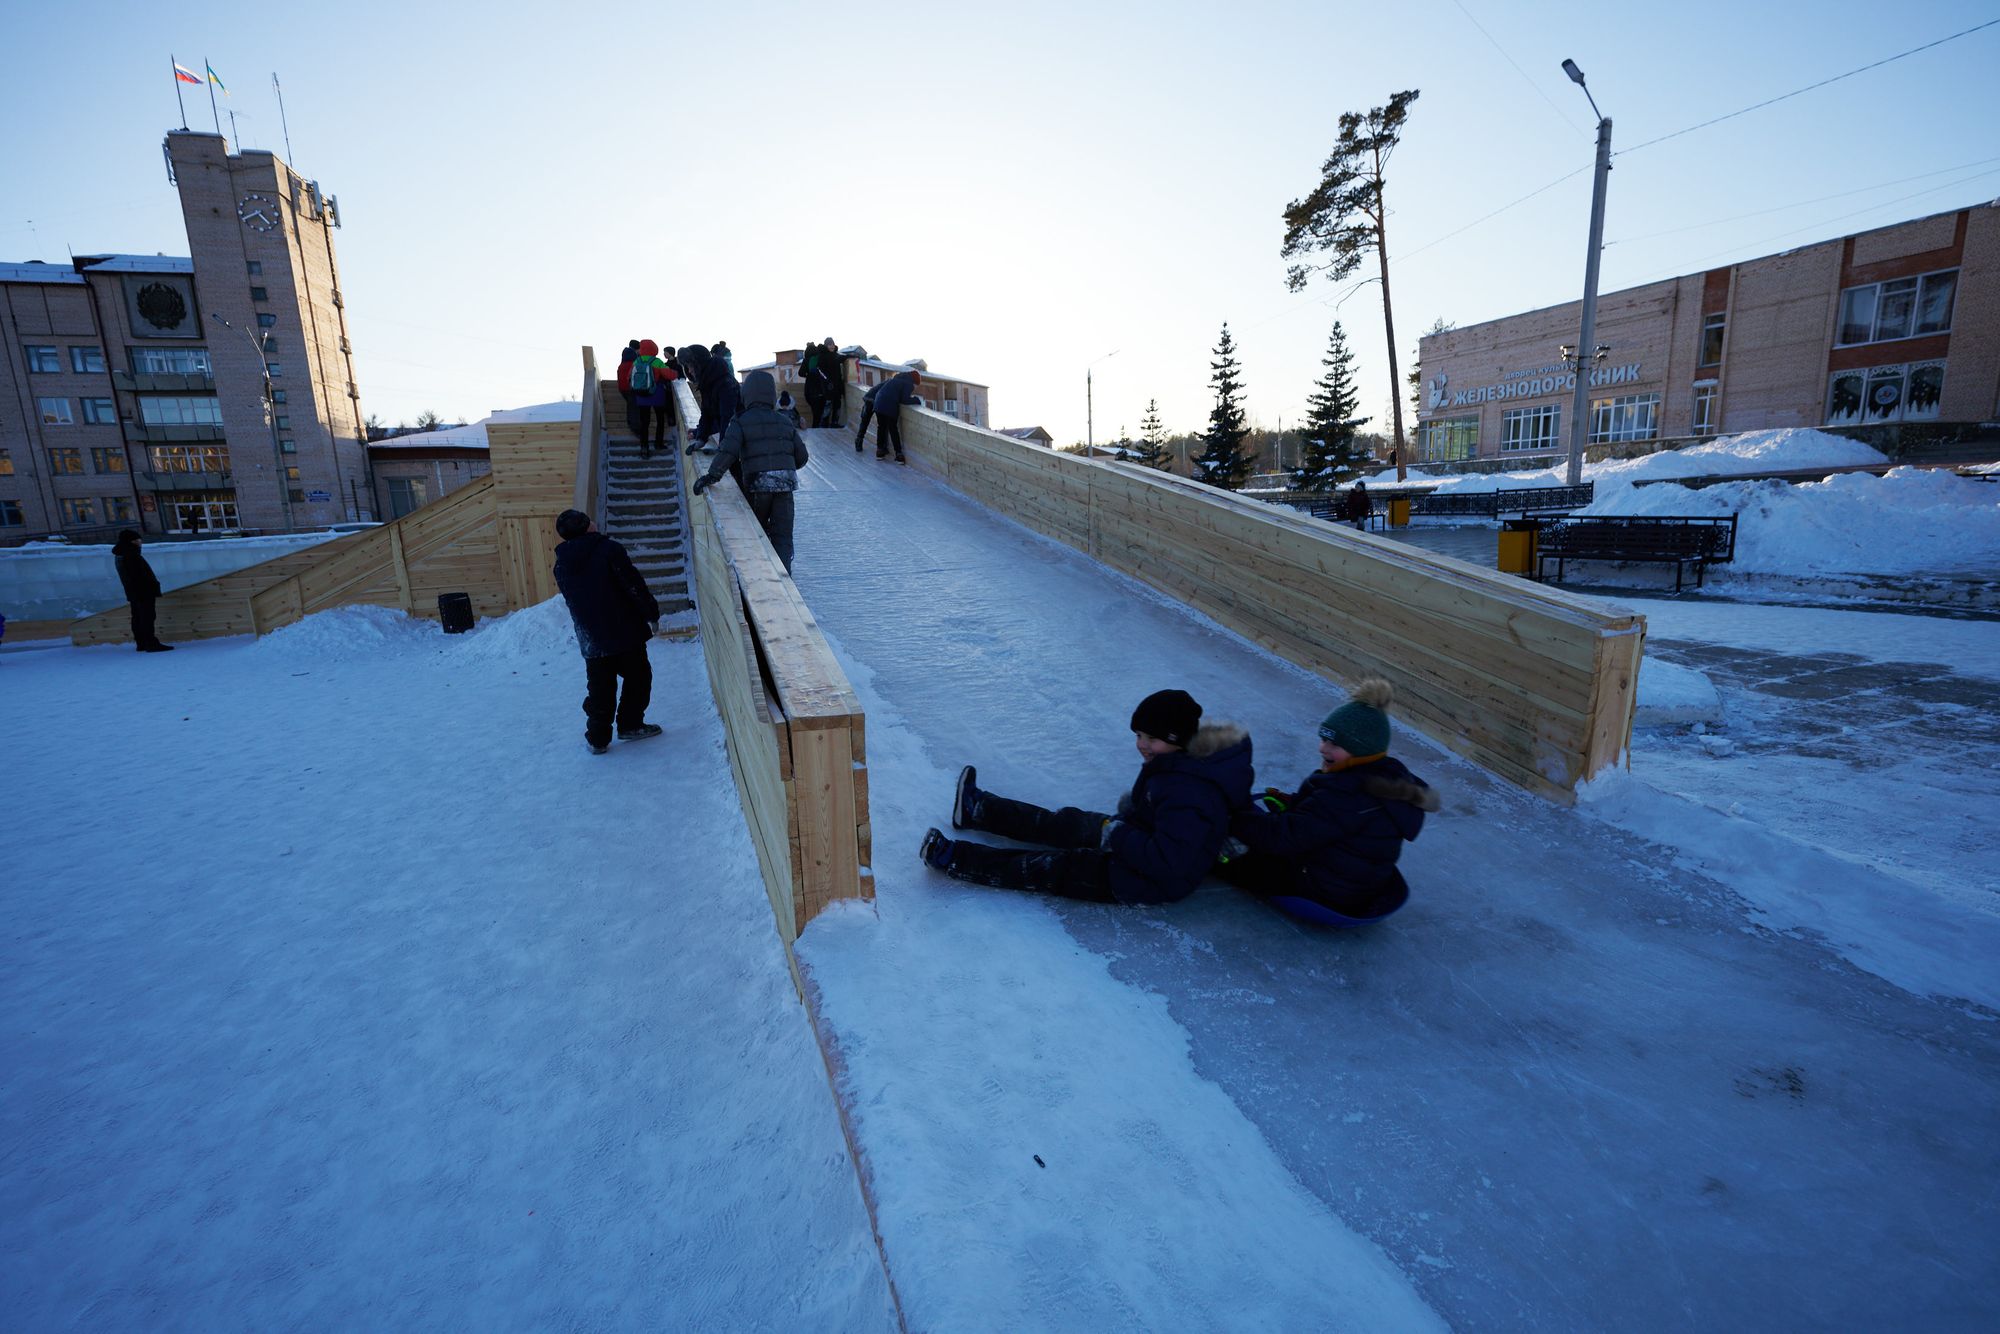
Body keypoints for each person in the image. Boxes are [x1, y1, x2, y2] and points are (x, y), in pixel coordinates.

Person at [919, 689, 1252, 905]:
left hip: (1143, 880)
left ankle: (955, 859)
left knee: (1055, 868)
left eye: (1152, 737)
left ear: (1179, 739)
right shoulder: (1178, 766)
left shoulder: (1190, 793)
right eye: (1138, 735)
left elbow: (1166, 861)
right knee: (1068, 823)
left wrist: (1120, 834)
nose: (1141, 744)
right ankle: (979, 809)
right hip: (1136, 835)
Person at [1218, 678, 1438, 924]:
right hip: (1360, 882)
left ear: (1362, 750)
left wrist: (1238, 813)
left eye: (1335, 744)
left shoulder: (1347, 795)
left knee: (1235, 856)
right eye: (1323, 739)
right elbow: (1327, 821)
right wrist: (1294, 804)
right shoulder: (1387, 777)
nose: (1323, 748)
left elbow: (1282, 838)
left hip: (1327, 892)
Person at [552, 508, 662, 754]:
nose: (593, 521)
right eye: (588, 519)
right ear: (586, 526)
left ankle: (598, 738)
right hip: (624, 629)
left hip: (592, 637)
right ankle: (630, 724)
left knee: (600, 687)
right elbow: (633, 585)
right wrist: (650, 613)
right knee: (638, 678)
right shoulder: (609, 550)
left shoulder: (561, 565)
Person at [690, 370, 809, 571]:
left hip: (757, 485)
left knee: (758, 531)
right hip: (785, 485)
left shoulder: (741, 420)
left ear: (746, 395)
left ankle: (761, 574)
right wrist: (784, 467)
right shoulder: (784, 420)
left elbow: (728, 451)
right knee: (782, 534)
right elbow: (802, 457)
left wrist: (712, 476)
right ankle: (784, 575)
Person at [112, 529, 172, 652]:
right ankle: (151, 643)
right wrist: (152, 587)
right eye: (137, 540)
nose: (140, 542)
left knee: (138, 617)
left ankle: (142, 643)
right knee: (147, 617)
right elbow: (140, 576)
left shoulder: (122, 555)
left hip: (134, 592)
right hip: (142, 592)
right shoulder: (131, 555)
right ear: (131, 541)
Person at [630, 339, 678, 457]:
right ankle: (658, 443)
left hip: (641, 396)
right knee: (660, 420)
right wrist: (678, 374)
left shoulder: (636, 361)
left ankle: (644, 448)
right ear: (654, 349)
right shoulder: (656, 362)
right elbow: (670, 375)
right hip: (656, 395)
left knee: (644, 423)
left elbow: (629, 377)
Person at [867, 369, 922, 463]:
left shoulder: (895, 379)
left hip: (878, 402)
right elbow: (905, 399)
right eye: (916, 385)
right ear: (915, 381)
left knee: (881, 427)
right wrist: (916, 400)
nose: (915, 387)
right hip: (889, 404)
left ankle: (880, 451)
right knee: (893, 429)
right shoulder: (908, 384)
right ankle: (898, 454)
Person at [616, 341, 647, 446]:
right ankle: (636, 428)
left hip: (622, 388)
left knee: (631, 406)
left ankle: (632, 424)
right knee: (634, 408)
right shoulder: (634, 363)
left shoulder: (622, 363)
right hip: (632, 388)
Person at [815, 338, 848, 428]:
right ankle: (824, 424)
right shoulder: (822, 356)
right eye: (830, 344)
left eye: (833, 344)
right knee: (828, 404)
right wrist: (827, 381)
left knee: (837, 404)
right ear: (826, 345)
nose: (832, 346)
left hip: (837, 385)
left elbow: (843, 357)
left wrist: (852, 356)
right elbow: (819, 370)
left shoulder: (835, 355)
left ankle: (834, 423)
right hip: (828, 385)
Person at [851, 381, 882, 453]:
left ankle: (859, 440)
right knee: (881, 424)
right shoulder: (892, 384)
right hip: (875, 401)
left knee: (864, 422)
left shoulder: (887, 382)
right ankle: (881, 446)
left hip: (868, 399)